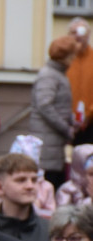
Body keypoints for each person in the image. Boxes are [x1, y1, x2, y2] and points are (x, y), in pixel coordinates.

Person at [32, 35, 81, 190]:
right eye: (72, 54)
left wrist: (72, 120)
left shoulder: (58, 74)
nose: (74, 58)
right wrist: (65, 128)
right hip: (47, 142)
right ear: (66, 56)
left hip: (54, 141)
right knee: (49, 184)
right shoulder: (49, 75)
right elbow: (45, 105)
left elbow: (60, 106)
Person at [68, 18, 93, 145]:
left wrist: (88, 115)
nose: (78, 36)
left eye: (82, 32)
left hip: (91, 123)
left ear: (88, 35)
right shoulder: (65, 60)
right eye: (74, 32)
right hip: (67, 122)